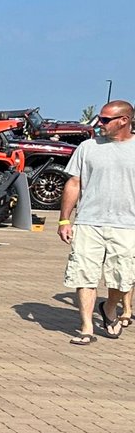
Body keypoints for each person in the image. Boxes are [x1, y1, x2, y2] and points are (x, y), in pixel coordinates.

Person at [59, 99, 135, 343]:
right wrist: (64, 220)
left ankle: (110, 308)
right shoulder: (87, 147)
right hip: (89, 222)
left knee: (122, 279)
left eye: (105, 120)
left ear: (124, 120)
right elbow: (74, 182)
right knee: (84, 273)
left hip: (127, 225)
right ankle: (86, 327)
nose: (99, 124)